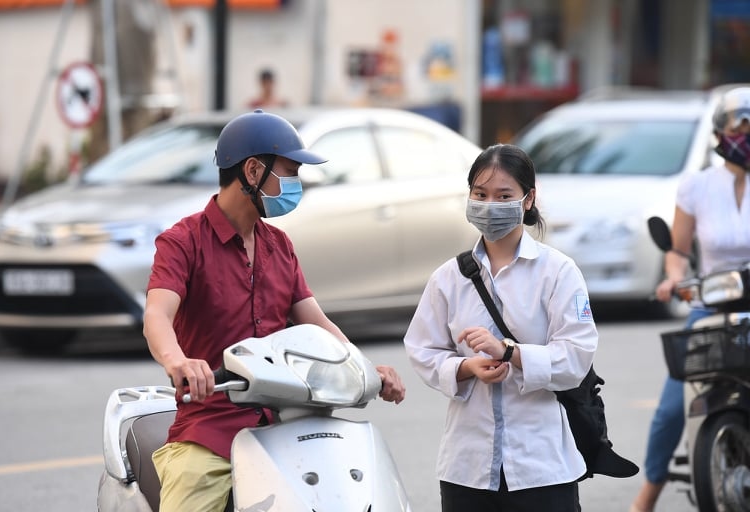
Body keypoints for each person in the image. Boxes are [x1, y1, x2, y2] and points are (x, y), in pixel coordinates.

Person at [143, 109, 406, 512]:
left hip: (287, 424)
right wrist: (179, 363)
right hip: (209, 427)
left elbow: (315, 321)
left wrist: (366, 368)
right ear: (252, 170)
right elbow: (157, 315)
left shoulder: (279, 246)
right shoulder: (183, 241)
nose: (296, 183)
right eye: (289, 171)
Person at [403, 144, 598, 511]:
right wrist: (464, 367)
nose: (490, 205)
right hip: (468, 467)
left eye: (503, 195)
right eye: (480, 194)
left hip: (542, 468)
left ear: (528, 199)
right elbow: (422, 348)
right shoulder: (449, 277)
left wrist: (510, 352)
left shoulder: (558, 272)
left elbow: (576, 357)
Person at [629, 86, 750, 512]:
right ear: (721, 131)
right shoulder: (696, 185)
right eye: (742, 124)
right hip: (712, 303)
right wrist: (673, 279)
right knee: (669, 408)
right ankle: (649, 492)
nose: (748, 133)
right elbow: (678, 251)